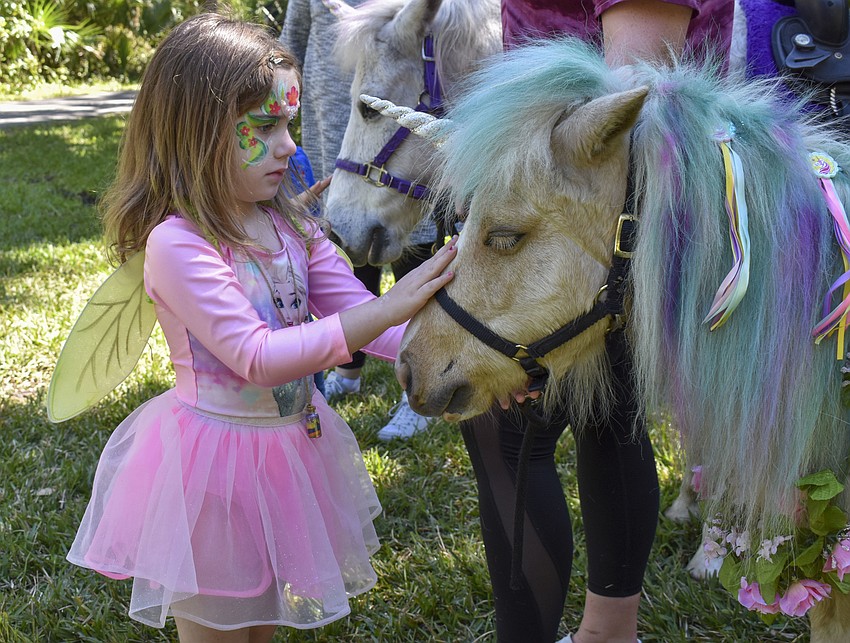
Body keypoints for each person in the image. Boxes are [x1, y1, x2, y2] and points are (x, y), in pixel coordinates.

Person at [65, 13, 456, 642]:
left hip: (286, 457)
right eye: (264, 128)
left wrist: (442, 350)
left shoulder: (289, 226)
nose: (290, 148)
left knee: (262, 624)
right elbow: (256, 356)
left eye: (290, 126)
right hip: (211, 473)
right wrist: (386, 307)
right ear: (195, 135)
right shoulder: (178, 243)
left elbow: (351, 309)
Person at [460, 2, 734, 642]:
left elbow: (636, 107)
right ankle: (610, 633)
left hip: (593, 229)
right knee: (607, 414)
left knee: (512, 431)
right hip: (579, 221)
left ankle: (601, 632)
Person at [280, 0, 438, 440]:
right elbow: (288, 49)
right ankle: (348, 370)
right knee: (350, 268)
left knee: (416, 272)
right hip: (337, 138)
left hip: (396, 157)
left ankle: (416, 393)